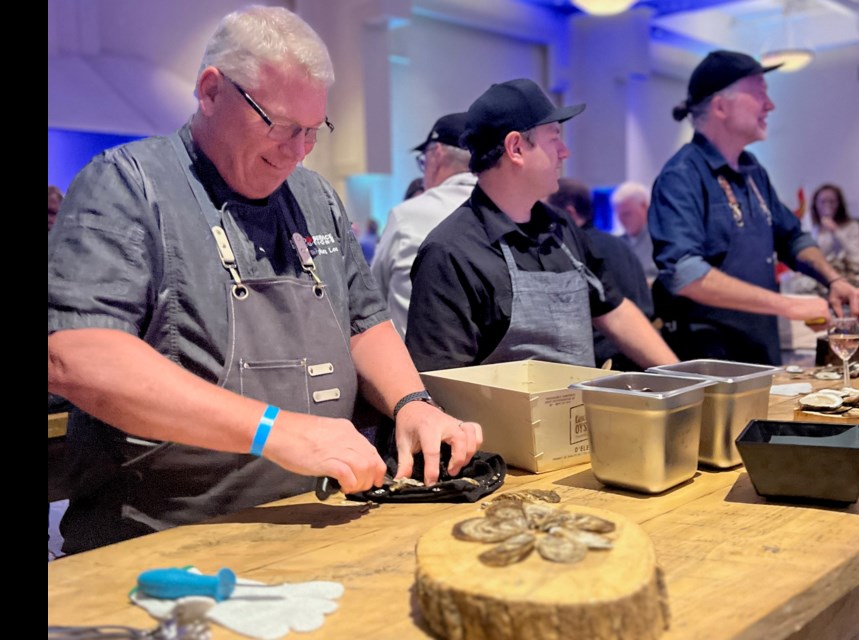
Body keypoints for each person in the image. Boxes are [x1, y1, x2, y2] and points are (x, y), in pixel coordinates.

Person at [46, 5, 481, 555]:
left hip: (315, 522)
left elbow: (363, 321)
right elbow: (77, 356)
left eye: (312, 131)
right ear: (210, 92)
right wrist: (273, 430)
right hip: (165, 539)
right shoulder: (126, 186)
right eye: (280, 126)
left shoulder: (316, 198)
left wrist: (412, 402)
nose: (297, 151)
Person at [404, 78, 678, 372]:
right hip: (499, 419)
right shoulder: (450, 252)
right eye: (554, 137)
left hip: (579, 415)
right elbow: (440, 378)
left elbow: (614, 311)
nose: (564, 151)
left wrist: (683, 377)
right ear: (516, 148)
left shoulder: (561, 228)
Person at [649, 50, 859, 365]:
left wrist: (834, 280)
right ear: (721, 106)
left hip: (761, 354)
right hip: (711, 364)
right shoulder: (681, 175)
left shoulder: (751, 169)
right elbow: (685, 275)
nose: (770, 105)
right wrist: (788, 306)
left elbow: (792, 237)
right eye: (759, 94)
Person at [371, 112, 475, 338]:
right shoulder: (507, 212)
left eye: (423, 159)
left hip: (416, 366)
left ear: (436, 154)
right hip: (498, 368)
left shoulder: (407, 215)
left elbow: (372, 295)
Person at [547, 177, 655, 370]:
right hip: (645, 350)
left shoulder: (575, 249)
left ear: (569, 212)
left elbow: (615, 315)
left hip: (607, 363)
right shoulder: (619, 244)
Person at [810, 183, 859, 270]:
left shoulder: (853, 226)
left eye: (832, 201)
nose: (827, 206)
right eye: (822, 202)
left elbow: (857, 255)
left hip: (850, 271)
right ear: (816, 205)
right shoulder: (813, 229)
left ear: (839, 204)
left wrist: (835, 231)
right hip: (823, 273)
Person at [611, 181, 657, 281]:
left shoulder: (661, 239)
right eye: (619, 216)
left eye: (627, 214)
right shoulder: (617, 244)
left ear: (644, 206)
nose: (622, 220)